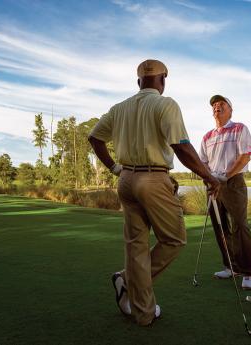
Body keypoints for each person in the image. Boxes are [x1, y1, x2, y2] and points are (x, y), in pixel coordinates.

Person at [88, 59, 220, 326]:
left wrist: (115, 168)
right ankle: (127, 280)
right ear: (163, 80)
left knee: (136, 243)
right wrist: (209, 176)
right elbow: (181, 147)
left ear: (139, 82)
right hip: (153, 178)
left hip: (125, 179)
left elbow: (94, 137)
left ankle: (144, 312)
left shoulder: (119, 108)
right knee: (174, 239)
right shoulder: (165, 103)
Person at [199, 95, 251, 290]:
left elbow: (245, 156)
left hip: (233, 182)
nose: (217, 107)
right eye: (215, 105)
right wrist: (209, 179)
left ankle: (249, 272)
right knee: (219, 226)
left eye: (222, 104)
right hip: (213, 184)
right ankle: (231, 266)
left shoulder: (239, 128)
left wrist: (225, 175)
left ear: (230, 110)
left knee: (239, 225)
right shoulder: (207, 136)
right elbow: (203, 163)